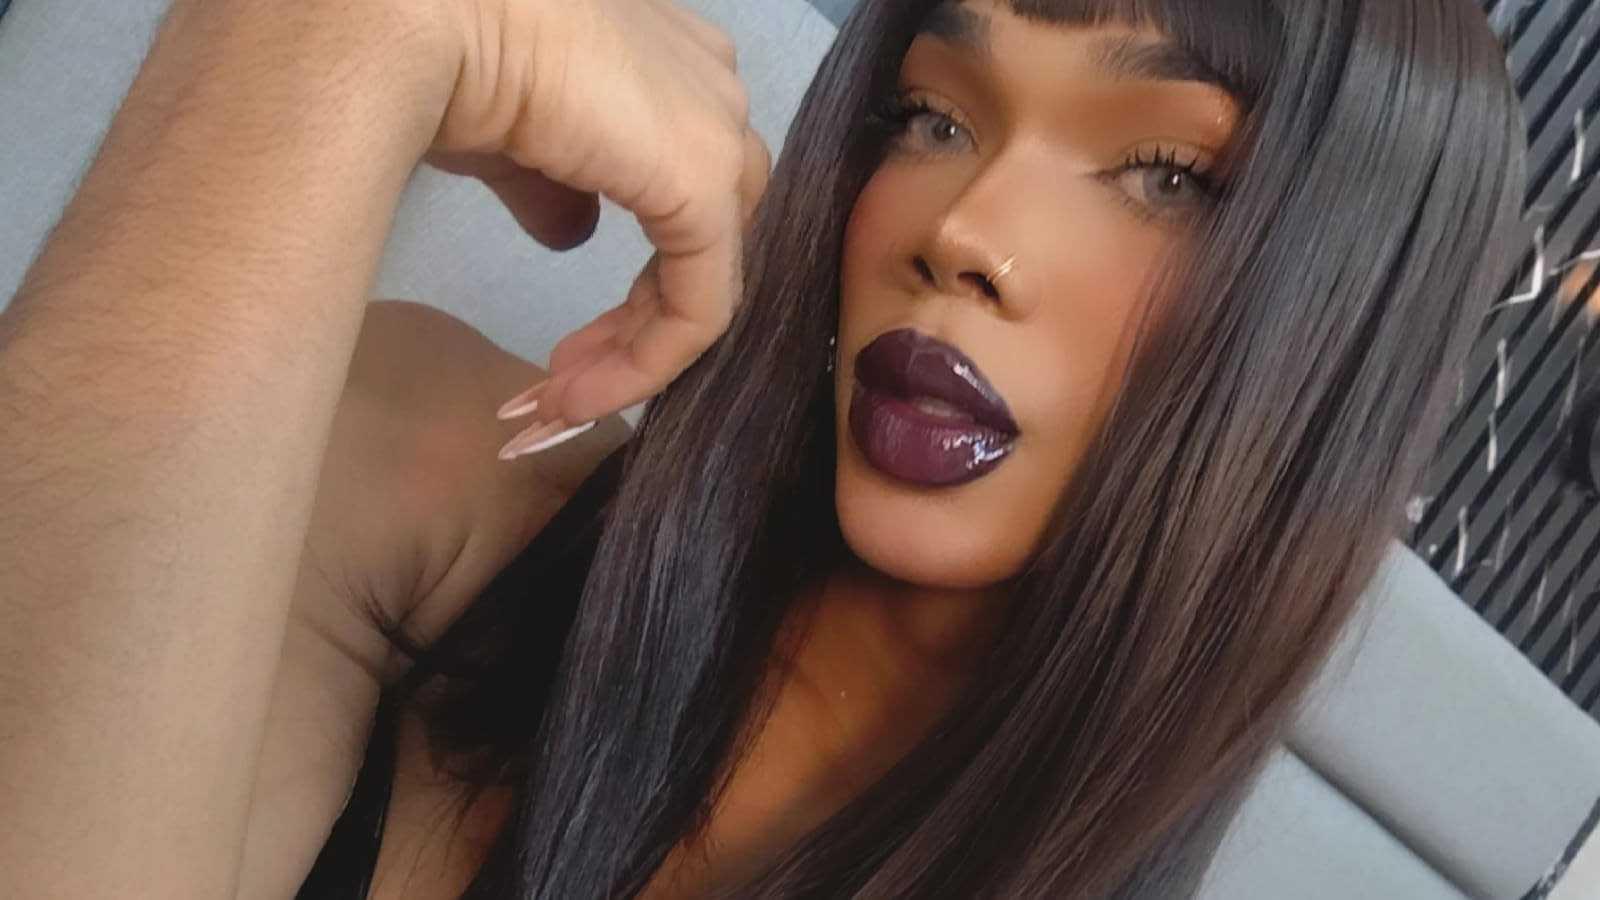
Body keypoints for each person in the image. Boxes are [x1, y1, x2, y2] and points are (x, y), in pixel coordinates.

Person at [0, 0, 1528, 897]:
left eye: (1167, 176)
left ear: (1342, 349)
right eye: (932, 119)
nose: (965, 233)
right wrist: (317, 47)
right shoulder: (427, 473)